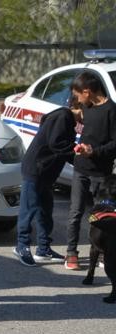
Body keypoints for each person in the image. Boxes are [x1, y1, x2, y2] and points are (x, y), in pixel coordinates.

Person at [13, 100, 82, 266]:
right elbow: (57, 143)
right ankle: (22, 245)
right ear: (80, 106)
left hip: (46, 172)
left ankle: (44, 248)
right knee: (29, 209)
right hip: (36, 169)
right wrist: (77, 153)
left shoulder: (65, 119)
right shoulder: (63, 116)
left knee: (45, 210)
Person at [65, 70, 116, 270]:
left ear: (87, 91)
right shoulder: (87, 108)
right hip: (81, 169)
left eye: (78, 94)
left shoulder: (112, 110)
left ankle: (102, 252)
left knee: (101, 215)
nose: (77, 98)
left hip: (100, 172)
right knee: (75, 212)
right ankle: (71, 253)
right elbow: (80, 121)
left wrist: (94, 151)